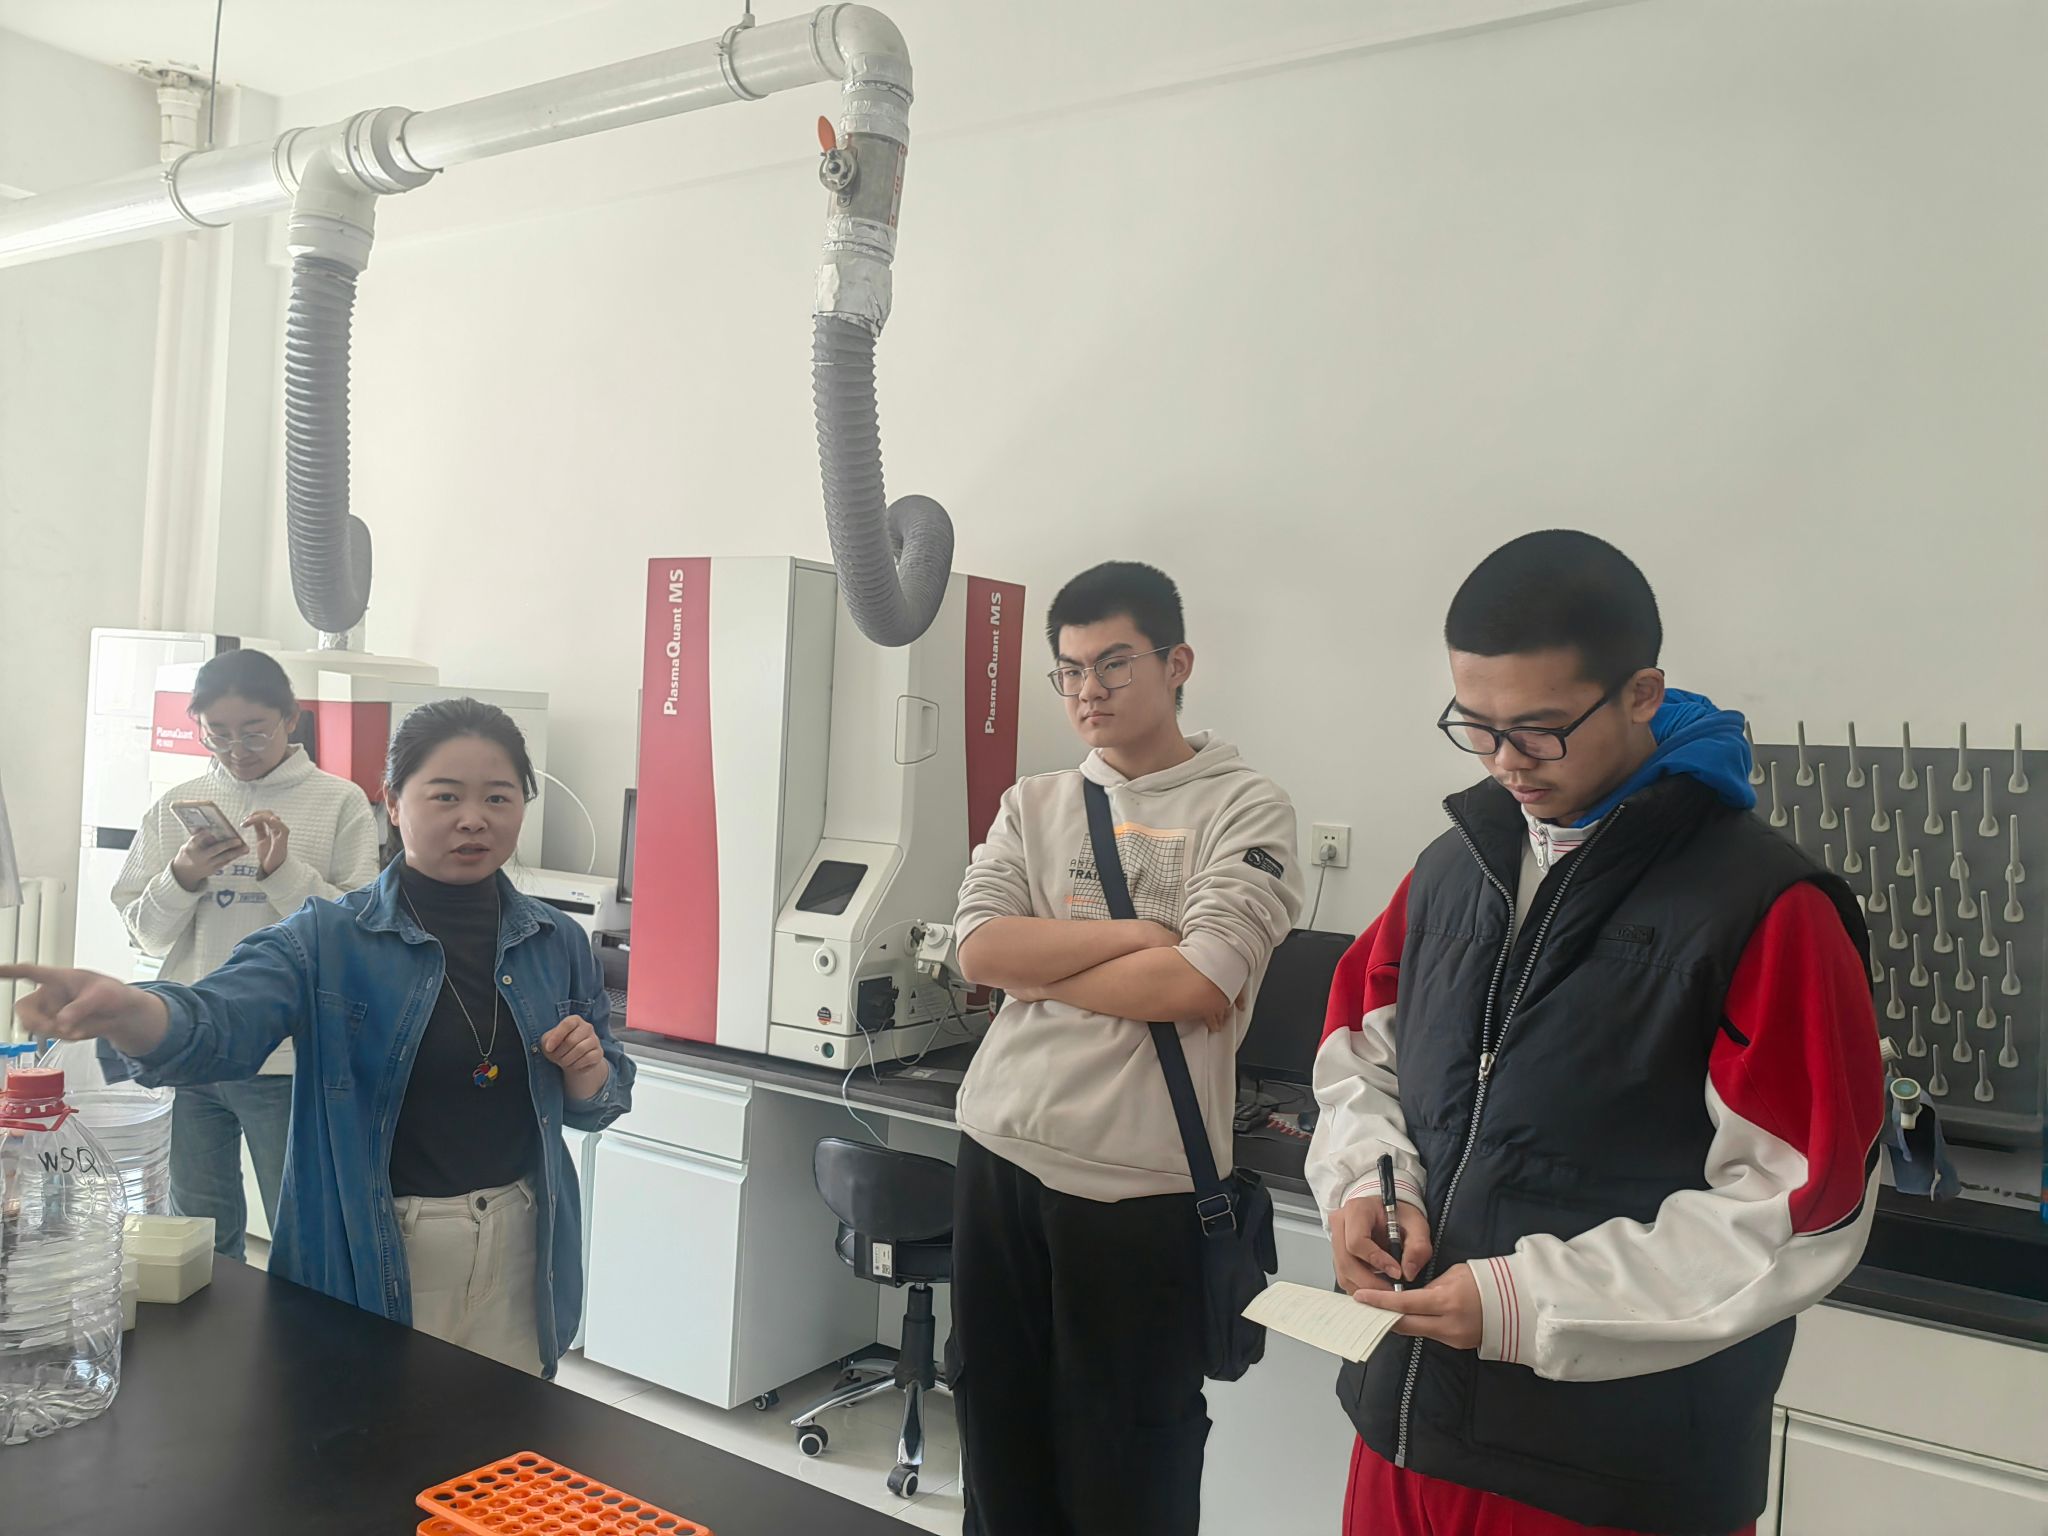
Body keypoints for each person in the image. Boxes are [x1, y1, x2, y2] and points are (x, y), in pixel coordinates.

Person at [1306, 530, 1883, 1536]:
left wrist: (1524, 1302)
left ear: (1640, 694)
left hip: (1612, 1479)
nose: (1503, 763)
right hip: (1406, 1436)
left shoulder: (1764, 907)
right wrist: (1367, 1187)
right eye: (1475, 726)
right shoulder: (1451, 869)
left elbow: (1799, 1208)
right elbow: (1359, 1062)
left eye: (1538, 730)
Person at [4, 698, 633, 1378]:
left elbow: (601, 1099)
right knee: (370, 1429)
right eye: (446, 795)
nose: (474, 818)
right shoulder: (328, 937)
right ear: (393, 802)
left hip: (524, 1242)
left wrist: (587, 1072)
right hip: (377, 1245)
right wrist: (131, 1010)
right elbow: (223, 1021)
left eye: (498, 797)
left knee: (505, 1431)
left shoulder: (554, 941)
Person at [951, 560, 1304, 1535]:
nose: (1087, 692)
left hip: (1138, 1191)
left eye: (1112, 664)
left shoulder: (1244, 806)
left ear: (1176, 663)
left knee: (1128, 1467)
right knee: (997, 1443)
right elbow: (978, 950)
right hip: (998, 1153)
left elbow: (1196, 986)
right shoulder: (1034, 803)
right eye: (1068, 671)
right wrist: (1138, 937)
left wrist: (1042, 968)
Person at [110, 648, 382, 1258]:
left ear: (291, 718)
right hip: (191, 1045)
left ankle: (299, 1323)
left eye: (254, 731)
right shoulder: (178, 803)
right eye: (219, 734)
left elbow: (359, 934)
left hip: (285, 1055)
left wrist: (282, 872)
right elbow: (144, 935)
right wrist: (181, 876)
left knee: (301, 1225)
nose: (237, 749)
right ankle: (209, 1322)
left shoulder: (339, 802)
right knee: (195, 1230)